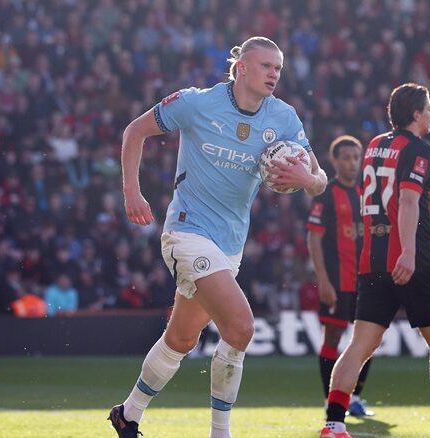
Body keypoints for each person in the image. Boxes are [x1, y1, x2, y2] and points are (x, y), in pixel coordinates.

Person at [109, 36, 327, 438]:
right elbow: (134, 131)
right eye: (266, 66)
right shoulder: (196, 103)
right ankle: (220, 433)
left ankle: (129, 412)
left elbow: (320, 180)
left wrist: (308, 178)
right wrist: (132, 192)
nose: (274, 74)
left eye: (278, 68)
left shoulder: (283, 117)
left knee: (181, 338)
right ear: (242, 66)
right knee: (241, 327)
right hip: (187, 232)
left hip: (230, 245)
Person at [320, 84, 430, 438]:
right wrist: (409, 252)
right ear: (415, 114)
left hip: (371, 259)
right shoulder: (418, 148)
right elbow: (408, 199)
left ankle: (334, 424)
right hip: (412, 259)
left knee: (360, 345)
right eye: (429, 108)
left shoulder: (373, 146)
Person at [305, 135, 374, 416]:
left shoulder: (365, 193)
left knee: (368, 338)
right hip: (337, 280)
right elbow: (314, 239)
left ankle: (354, 397)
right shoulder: (326, 193)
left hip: (365, 280)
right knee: (332, 337)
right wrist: (323, 280)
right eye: (346, 158)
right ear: (334, 161)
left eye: (356, 158)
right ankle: (330, 400)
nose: (352, 163)